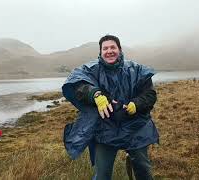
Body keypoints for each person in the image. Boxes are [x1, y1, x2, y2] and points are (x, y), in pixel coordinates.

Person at [62, 35, 159, 180]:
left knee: (143, 170)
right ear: (100, 52)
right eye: (105, 48)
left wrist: (136, 104)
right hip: (104, 128)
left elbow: (150, 94)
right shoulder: (91, 70)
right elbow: (80, 86)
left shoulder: (136, 70)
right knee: (102, 175)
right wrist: (95, 95)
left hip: (135, 126)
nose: (109, 51)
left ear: (119, 49)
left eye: (112, 47)